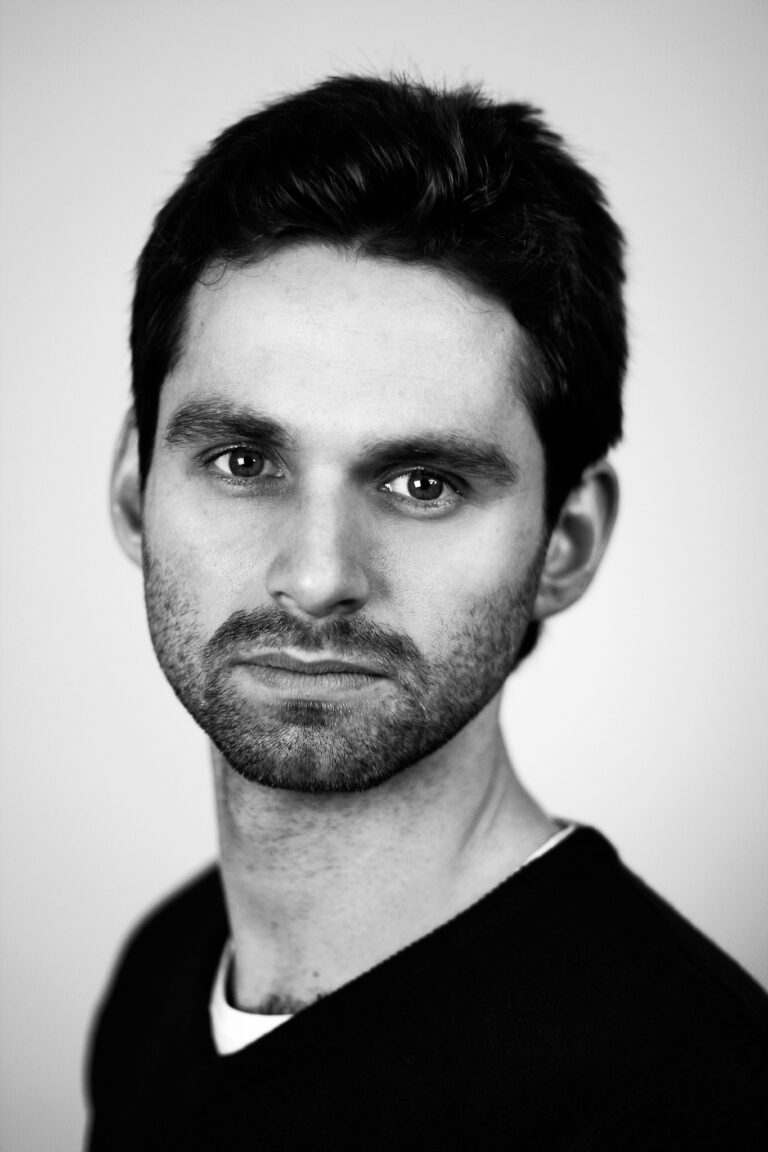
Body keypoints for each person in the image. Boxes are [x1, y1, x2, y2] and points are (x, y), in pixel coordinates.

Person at [88, 74, 768, 1149]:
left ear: (566, 542)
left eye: (424, 485)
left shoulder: (698, 1104)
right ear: (135, 488)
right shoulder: (164, 974)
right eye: (242, 459)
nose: (316, 578)